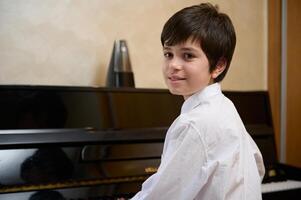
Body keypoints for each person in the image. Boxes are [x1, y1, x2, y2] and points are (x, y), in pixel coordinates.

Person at [131, 3, 265, 200]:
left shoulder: (194, 124)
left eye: (188, 55)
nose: (173, 65)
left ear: (218, 65)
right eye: (168, 54)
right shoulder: (225, 107)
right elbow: (257, 166)